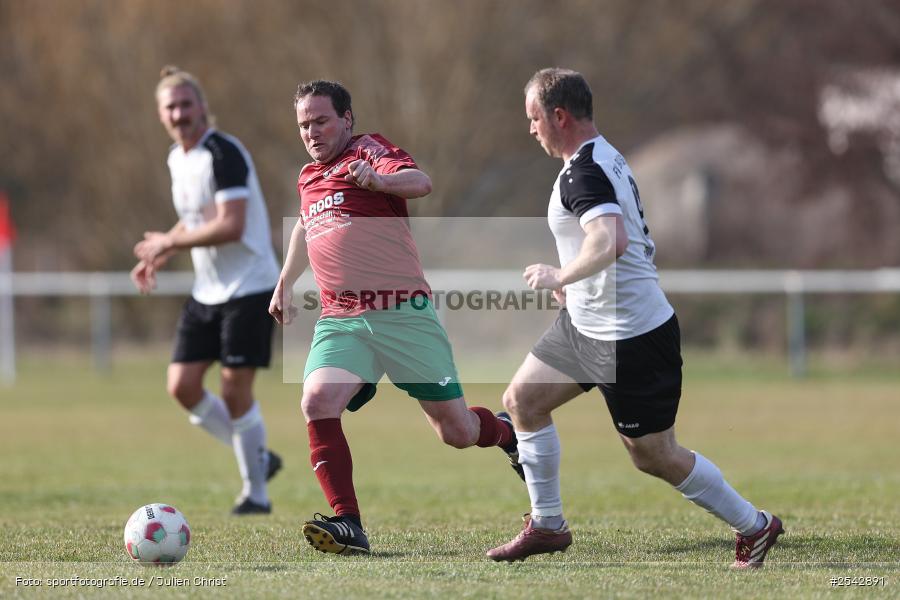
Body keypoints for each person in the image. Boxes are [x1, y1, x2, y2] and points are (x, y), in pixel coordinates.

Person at [486, 68, 783, 569]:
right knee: (523, 400)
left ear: (559, 116)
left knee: (653, 455)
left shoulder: (585, 171)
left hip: (631, 337)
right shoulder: (604, 156)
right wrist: (578, 287)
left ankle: (755, 525)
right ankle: (548, 525)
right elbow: (623, 244)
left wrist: (560, 276)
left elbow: (611, 240)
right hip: (588, 325)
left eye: (534, 117)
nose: (531, 128)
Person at [269, 80, 519, 555]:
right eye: (304, 124)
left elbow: (421, 182)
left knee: (457, 432)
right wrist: (285, 279)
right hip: (342, 319)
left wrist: (379, 180)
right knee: (317, 399)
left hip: (402, 314)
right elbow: (306, 223)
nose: (312, 131)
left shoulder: (369, 151)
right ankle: (349, 524)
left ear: (347, 119)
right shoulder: (307, 176)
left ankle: (508, 433)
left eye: (321, 120)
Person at [131, 66, 283, 515]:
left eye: (185, 104)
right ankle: (257, 456)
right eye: (170, 107)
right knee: (181, 385)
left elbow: (231, 225)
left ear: (201, 107)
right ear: (161, 114)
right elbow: (198, 217)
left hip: (250, 286)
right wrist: (161, 250)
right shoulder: (177, 158)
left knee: (236, 393)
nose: (179, 113)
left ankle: (256, 493)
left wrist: (169, 241)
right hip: (208, 290)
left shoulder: (223, 151)